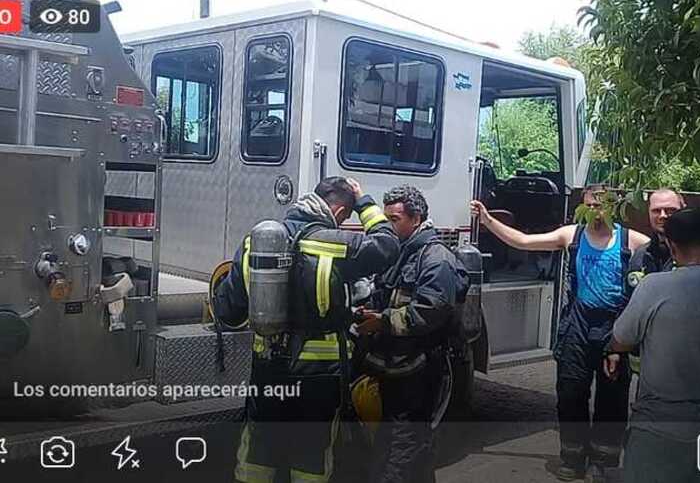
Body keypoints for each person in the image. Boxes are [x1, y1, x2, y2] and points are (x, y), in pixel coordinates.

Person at [211, 176, 400, 483]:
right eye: (346, 215)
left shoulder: (254, 242)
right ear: (338, 211)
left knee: (257, 452)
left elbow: (228, 313)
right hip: (319, 377)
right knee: (311, 456)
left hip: (268, 369)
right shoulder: (335, 244)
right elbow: (388, 245)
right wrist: (364, 201)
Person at [470, 185, 649, 482]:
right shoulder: (571, 235)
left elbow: (669, 260)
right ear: (582, 207)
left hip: (615, 328)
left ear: (613, 207)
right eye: (590, 205)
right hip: (577, 325)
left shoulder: (633, 241)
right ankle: (573, 456)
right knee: (570, 392)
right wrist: (488, 220)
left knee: (613, 397)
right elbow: (525, 241)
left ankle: (604, 461)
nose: (596, 210)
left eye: (602, 205)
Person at [606, 208, 700, 483]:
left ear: (670, 244)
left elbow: (621, 340)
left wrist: (613, 350)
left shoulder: (653, 287)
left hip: (659, 428)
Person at [355, 185, 469, 483]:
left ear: (416, 218)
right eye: (387, 218)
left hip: (420, 369)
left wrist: (381, 321)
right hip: (398, 367)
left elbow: (430, 311)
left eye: (395, 219)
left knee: (403, 442)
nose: (389, 226)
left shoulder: (436, 258)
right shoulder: (401, 252)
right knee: (400, 441)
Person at [625, 189, 700, 375]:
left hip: (699, 364)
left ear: (683, 209)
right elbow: (629, 304)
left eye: (670, 210)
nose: (663, 216)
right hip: (651, 366)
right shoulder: (640, 256)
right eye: (656, 210)